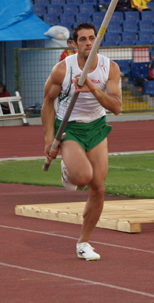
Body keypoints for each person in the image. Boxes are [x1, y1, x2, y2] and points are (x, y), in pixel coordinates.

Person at [42, 22, 122, 261]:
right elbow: (47, 102)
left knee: (98, 188)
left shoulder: (110, 68)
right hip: (69, 127)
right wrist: (49, 140)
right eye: (83, 39)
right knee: (84, 177)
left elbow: (116, 107)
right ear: (74, 44)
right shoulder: (62, 70)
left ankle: (83, 243)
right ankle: (69, 170)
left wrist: (92, 89)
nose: (89, 43)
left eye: (92, 38)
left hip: (96, 127)